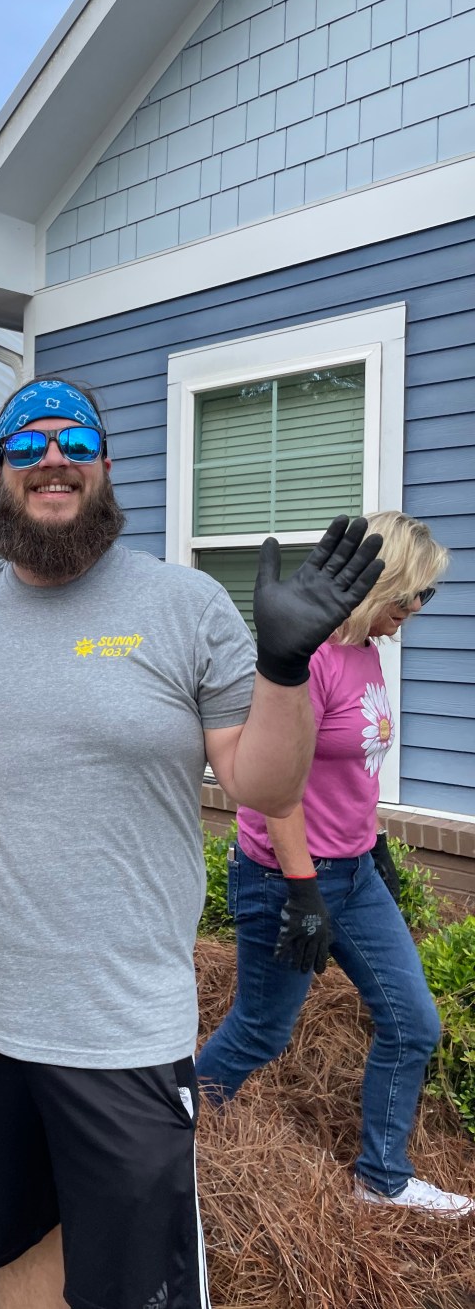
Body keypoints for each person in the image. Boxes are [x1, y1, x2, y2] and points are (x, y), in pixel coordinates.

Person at [0, 376, 385, 1309]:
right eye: (30, 443)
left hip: (118, 1024)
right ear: (0, 470)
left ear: (106, 467)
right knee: (13, 1257)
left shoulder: (185, 603)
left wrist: (284, 668)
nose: (54, 458)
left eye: (76, 442)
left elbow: (261, 780)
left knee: (139, 1286)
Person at [196, 511, 472, 1220]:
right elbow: (278, 784)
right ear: (385, 586)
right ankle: (170, 1133)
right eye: (416, 596)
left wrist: (370, 842)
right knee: (261, 1029)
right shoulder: (310, 658)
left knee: (414, 1022)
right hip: (285, 876)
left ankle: (381, 1177)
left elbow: (348, 774)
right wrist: (303, 889)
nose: (418, 611)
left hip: (352, 871)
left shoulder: (367, 652)